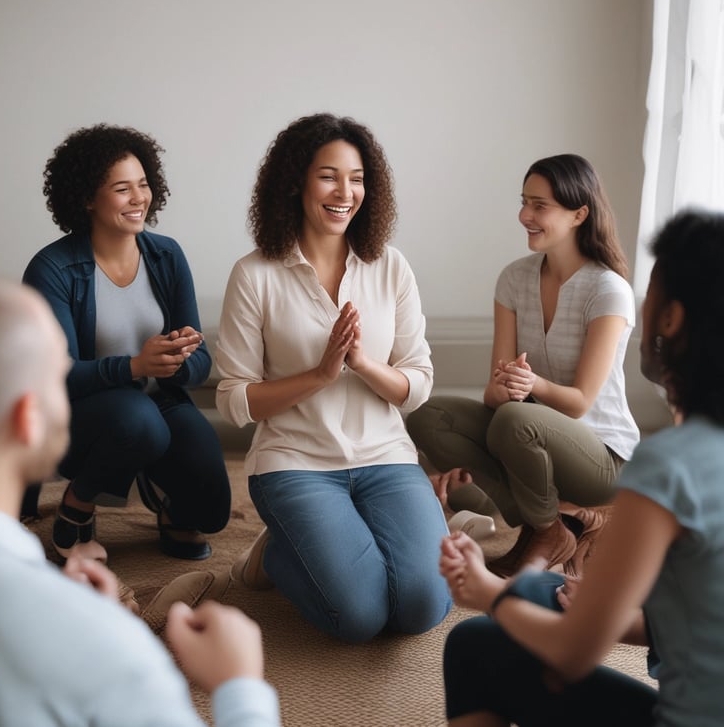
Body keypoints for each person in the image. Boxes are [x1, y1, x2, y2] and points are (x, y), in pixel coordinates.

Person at [438, 207, 724, 726]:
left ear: (671, 318)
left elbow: (574, 653)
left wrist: (484, 592)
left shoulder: (672, 465)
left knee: (475, 644)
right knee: (535, 592)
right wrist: (600, 610)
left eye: (651, 289)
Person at [0, 275, 280, 727]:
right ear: (27, 419)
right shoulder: (104, 650)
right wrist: (240, 686)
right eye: (55, 377)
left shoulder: (163, 258)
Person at [214, 112, 452, 643]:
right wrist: (320, 374)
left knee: (423, 606)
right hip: (296, 463)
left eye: (358, 177)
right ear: (295, 182)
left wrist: (363, 365)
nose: (346, 191)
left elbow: (418, 383)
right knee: (358, 617)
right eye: (328, 176)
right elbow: (233, 400)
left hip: (386, 457)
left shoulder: (390, 266)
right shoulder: (255, 274)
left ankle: (331, 541)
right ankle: (276, 552)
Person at [406, 154, 639, 577]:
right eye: (524, 202)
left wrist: (531, 386)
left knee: (516, 420)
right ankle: (551, 525)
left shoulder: (609, 291)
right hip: (525, 436)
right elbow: (495, 396)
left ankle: (551, 527)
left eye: (539, 206)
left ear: (579, 214)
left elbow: (581, 402)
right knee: (430, 416)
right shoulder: (513, 279)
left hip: (602, 455)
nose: (524, 215)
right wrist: (504, 386)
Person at [23, 124, 230, 561]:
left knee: (211, 511)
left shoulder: (167, 255)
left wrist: (178, 360)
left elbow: (201, 360)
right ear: (86, 198)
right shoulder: (53, 269)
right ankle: (79, 503)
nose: (140, 198)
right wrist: (135, 367)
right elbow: (57, 377)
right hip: (86, 417)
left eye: (143, 184)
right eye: (123, 188)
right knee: (139, 420)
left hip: (160, 405)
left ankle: (165, 500)